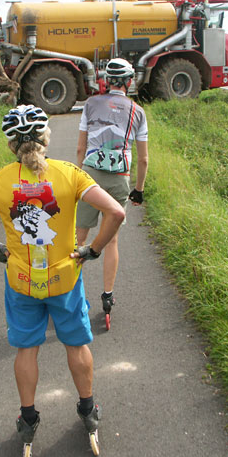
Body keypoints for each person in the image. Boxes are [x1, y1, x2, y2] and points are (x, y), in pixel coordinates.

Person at [0, 104, 125, 457]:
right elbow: (116, 212)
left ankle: (28, 420)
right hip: (64, 278)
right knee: (75, 344)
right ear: (45, 138)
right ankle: (88, 411)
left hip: (21, 281)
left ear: (11, 145)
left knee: (27, 349)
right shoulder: (70, 173)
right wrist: (93, 250)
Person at [75, 58, 149, 317]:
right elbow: (143, 158)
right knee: (112, 239)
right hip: (119, 177)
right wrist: (138, 189)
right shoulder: (138, 111)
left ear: (105, 81)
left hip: (90, 177)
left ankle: (72, 295)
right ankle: (107, 295)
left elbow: (80, 149)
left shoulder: (90, 105)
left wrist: (79, 176)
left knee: (80, 237)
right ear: (129, 82)